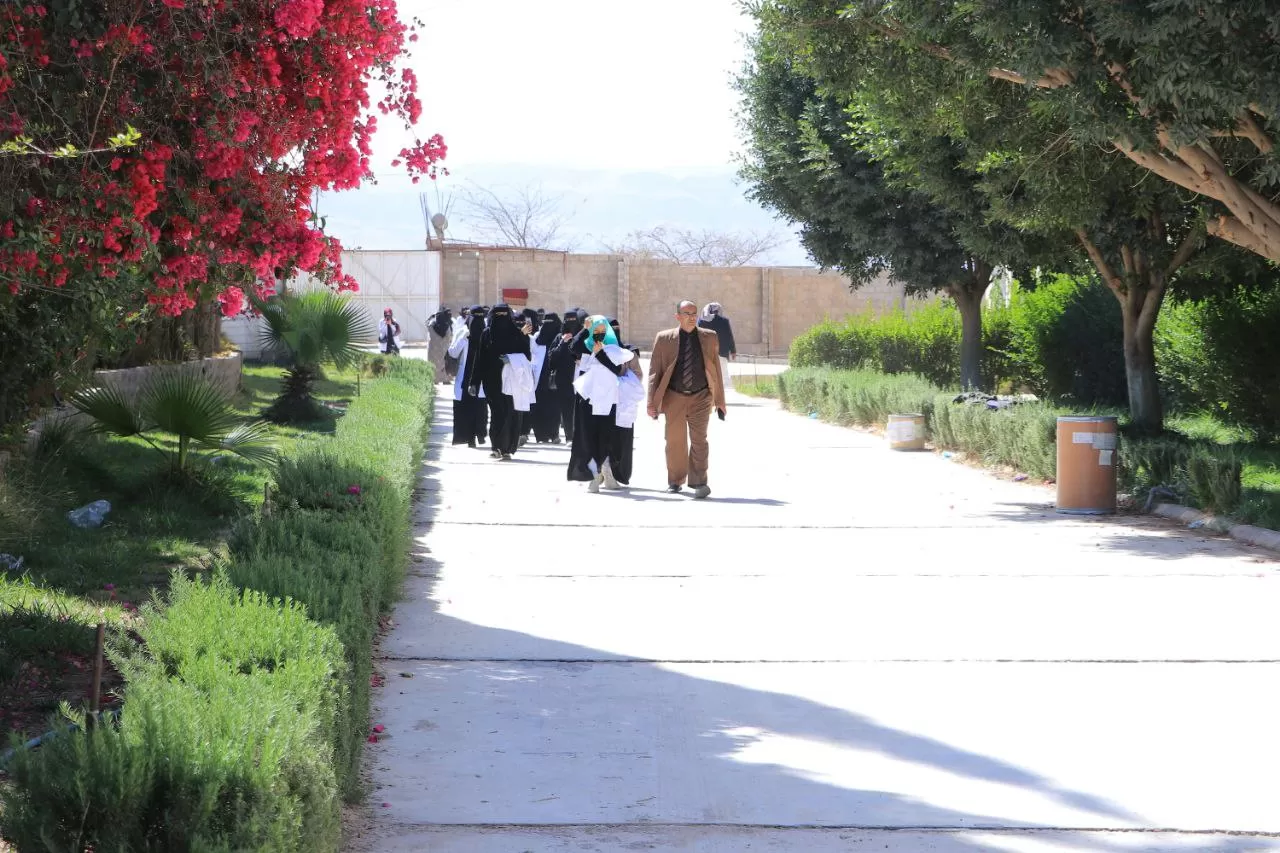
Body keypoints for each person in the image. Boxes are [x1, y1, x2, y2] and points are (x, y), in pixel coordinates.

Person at [647, 300, 727, 499]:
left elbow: (716, 369)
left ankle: (699, 481)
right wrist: (651, 402)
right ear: (678, 316)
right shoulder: (664, 339)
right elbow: (654, 372)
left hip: (701, 396)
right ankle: (675, 481)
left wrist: (720, 400)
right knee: (675, 442)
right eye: (687, 313)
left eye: (694, 313)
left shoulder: (709, 337)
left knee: (700, 440)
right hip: (674, 396)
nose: (691, 317)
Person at [568, 315, 636, 493]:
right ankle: (593, 476)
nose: (599, 335)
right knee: (588, 437)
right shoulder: (585, 345)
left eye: (602, 332)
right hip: (588, 400)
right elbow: (573, 347)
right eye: (595, 332)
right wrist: (585, 329)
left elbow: (616, 369)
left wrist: (601, 354)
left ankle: (607, 473)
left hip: (608, 400)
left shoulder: (614, 348)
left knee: (607, 438)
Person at [478, 304, 531, 460]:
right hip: (492, 381)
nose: (501, 319)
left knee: (511, 413)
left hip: (511, 380)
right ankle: (496, 447)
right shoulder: (486, 334)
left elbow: (527, 356)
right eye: (498, 315)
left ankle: (507, 448)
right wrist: (474, 382)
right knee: (497, 413)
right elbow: (480, 358)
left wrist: (512, 358)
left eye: (504, 314)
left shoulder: (517, 334)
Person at [449, 306, 488, 448]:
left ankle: (480, 434)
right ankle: (470, 437)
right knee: (469, 407)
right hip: (465, 377)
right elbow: (453, 352)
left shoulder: (486, 333)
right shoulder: (464, 333)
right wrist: (463, 340)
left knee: (479, 408)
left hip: (480, 377)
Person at [548, 308, 584, 443]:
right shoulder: (559, 338)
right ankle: (570, 437)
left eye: (573, 321)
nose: (571, 324)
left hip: (581, 378)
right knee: (567, 410)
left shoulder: (583, 337)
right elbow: (551, 360)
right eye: (568, 321)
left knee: (580, 409)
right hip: (564, 380)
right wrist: (563, 343)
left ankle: (580, 436)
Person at [531, 312, 564, 443]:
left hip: (555, 377)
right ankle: (541, 435)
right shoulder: (537, 338)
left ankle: (554, 434)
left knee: (554, 407)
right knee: (539, 407)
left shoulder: (560, 338)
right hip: (539, 378)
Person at [698, 302, 737, 383]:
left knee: (707, 375)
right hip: (722, 352)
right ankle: (724, 391)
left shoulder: (702, 321)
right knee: (723, 374)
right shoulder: (724, 321)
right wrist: (733, 351)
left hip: (706, 352)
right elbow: (729, 336)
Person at [428, 306, 453, 383]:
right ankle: (445, 379)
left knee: (434, 363)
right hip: (444, 348)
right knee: (443, 363)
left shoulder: (432, 325)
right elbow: (449, 337)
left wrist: (431, 318)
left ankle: (435, 379)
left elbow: (427, 324)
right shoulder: (447, 326)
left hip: (433, 348)